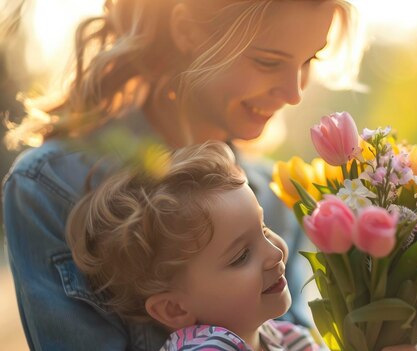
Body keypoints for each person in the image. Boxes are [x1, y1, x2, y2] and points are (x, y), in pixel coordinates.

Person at [3, 0, 364, 350]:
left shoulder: (276, 193)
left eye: (309, 60)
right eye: (268, 61)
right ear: (187, 32)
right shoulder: (51, 187)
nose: (295, 94)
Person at [66, 141, 317, 351]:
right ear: (174, 309)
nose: (274, 253)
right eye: (241, 256)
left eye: (264, 229)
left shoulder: (290, 339)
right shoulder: (206, 347)